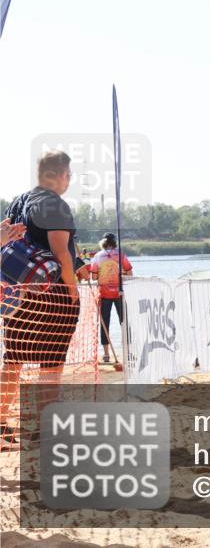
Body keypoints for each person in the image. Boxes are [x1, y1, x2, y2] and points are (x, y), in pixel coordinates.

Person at [1, 151, 82, 445]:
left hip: (18, 292)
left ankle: (0, 423)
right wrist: (72, 291)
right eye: (69, 176)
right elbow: (61, 253)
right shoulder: (54, 204)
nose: (69, 181)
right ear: (60, 175)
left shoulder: (19, 201)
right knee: (51, 363)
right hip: (51, 294)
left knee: (13, 360)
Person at [88, 233, 133, 363]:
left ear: (103, 243)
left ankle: (106, 354)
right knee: (124, 323)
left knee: (104, 324)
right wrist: (121, 273)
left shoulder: (97, 256)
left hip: (104, 294)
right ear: (115, 242)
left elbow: (94, 277)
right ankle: (128, 353)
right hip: (119, 293)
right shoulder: (120, 254)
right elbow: (129, 273)